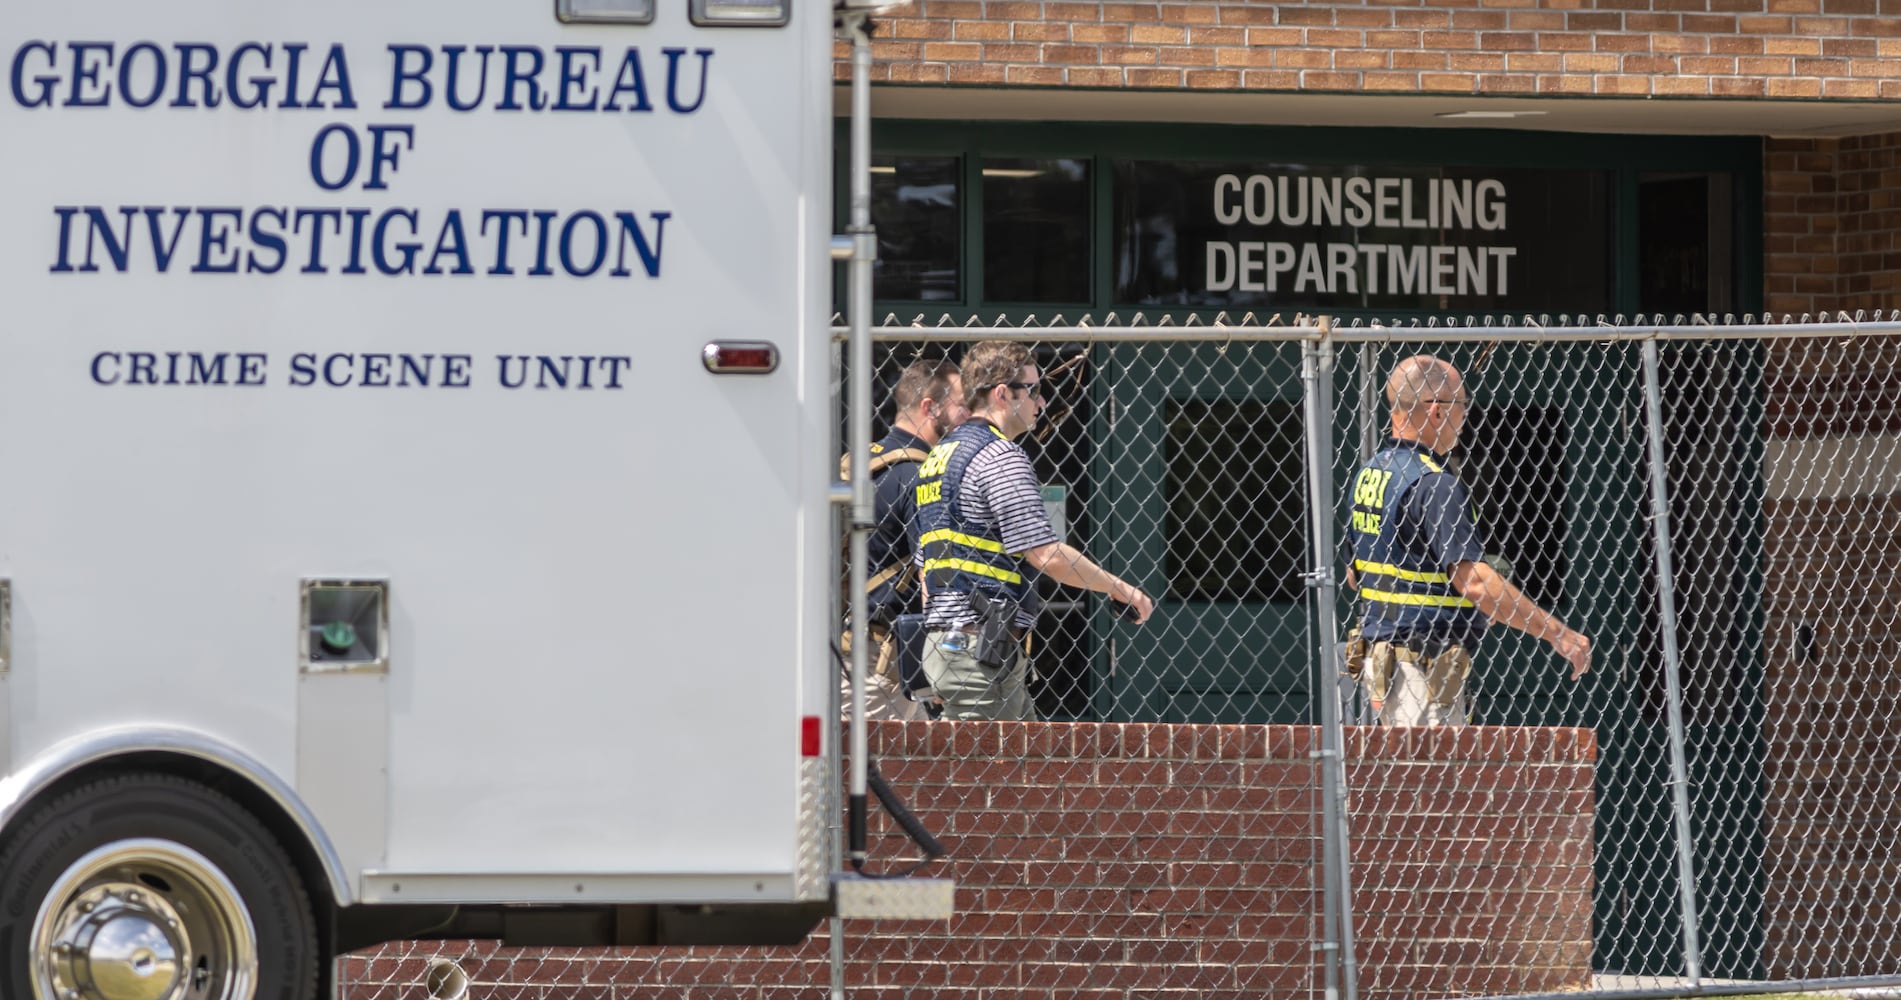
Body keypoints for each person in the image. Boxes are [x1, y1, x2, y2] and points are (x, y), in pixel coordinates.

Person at [1346, 355, 1592, 726]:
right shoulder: (1436, 484)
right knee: (1431, 780)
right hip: (1423, 674)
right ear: (1436, 411)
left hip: (1377, 667)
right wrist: (1559, 634)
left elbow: (1356, 574)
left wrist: (1442, 601)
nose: (1465, 417)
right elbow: (1475, 582)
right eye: (1462, 405)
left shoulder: (1372, 473)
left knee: (1393, 779)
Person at [913, 340, 1153, 721]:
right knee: (988, 776)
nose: (1042, 403)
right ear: (1003, 394)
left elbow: (926, 572)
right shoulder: (1000, 455)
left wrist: (946, 644)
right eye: (1035, 390)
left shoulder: (938, 456)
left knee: (1016, 770)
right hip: (980, 653)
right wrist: (1121, 589)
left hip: (954, 648)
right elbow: (1047, 555)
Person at [841, 359, 968, 721]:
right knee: (872, 772)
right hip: (881, 672)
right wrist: (949, 660)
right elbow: (935, 573)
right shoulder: (922, 476)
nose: (967, 416)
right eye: (961, 405)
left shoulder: (865, 463)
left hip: (850, 646)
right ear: (930, 407)